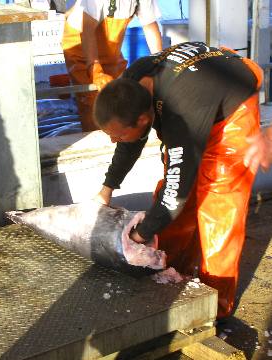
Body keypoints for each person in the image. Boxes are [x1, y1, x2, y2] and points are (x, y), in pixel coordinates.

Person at [93, 41, 263, 319]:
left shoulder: (178, 115)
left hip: (230, 105)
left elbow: (176, 189)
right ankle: (167, 271)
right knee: (175, 202)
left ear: (145, 119)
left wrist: (140, 234)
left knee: (219, 209)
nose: (114, 140)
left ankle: (214, 304)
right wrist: (107, 188)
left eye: (117, 134)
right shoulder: (131, 85)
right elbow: (129, 142)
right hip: (199, 90)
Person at [61, 0, 162, 131]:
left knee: (120, 96)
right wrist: (94, 69)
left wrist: (159, 62)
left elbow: (150, 26)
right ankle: (96, 143)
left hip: (111, 50)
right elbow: (88, 30)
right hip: (81, 48)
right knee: (93, 102)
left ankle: (120, 137)